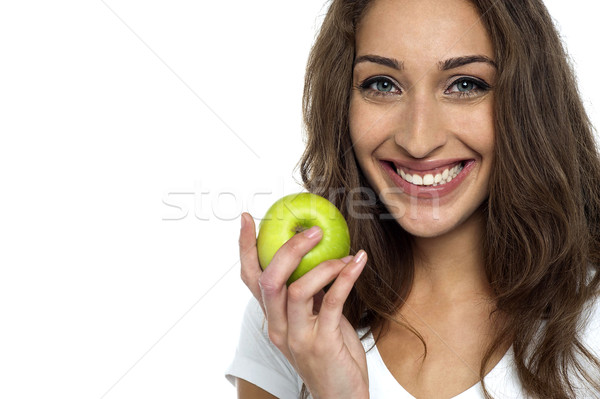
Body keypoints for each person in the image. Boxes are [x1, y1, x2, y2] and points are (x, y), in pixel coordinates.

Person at [227, 0, 600, 397]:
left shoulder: (590, 315)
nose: (418, 141)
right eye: (382, 84)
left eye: (464, 84)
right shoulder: (297, 315)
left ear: (529, 102)